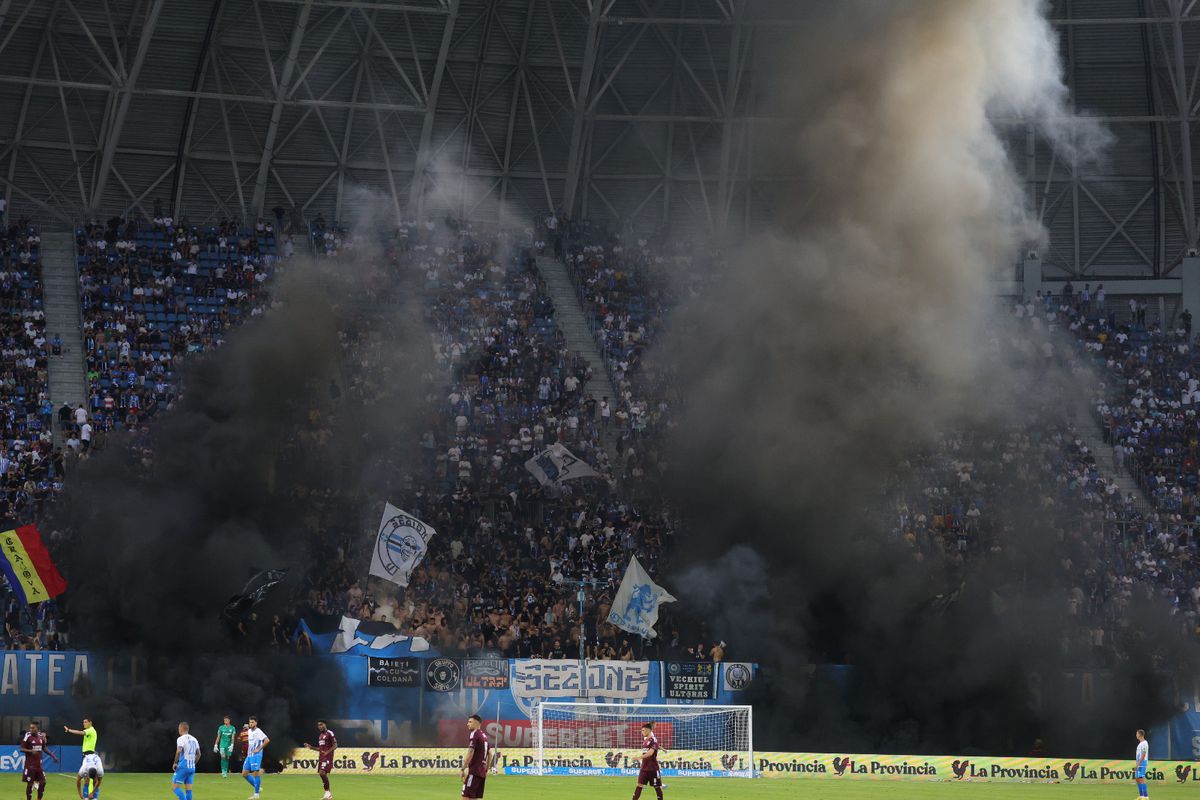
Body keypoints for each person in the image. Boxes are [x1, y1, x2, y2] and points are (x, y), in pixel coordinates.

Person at [64, 719, 102, 799]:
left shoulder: (91, 730)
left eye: (85, 722)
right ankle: (87, 797)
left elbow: (80, 732)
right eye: (83, 722)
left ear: (90, 722)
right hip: (86, 755)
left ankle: (93, 797)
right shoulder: (89, 730)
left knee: (92, 779)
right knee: (87, 780)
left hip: (90, 756)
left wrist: (69, 730)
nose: (84, 724)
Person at [21, 721, 56, 800]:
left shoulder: (40, 736)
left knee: (43, 782)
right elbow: (22, 749)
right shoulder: (27, 736)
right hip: (30, 766)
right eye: (30, 728)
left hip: (38, 766)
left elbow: (44, 747)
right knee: (30, 784)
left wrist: (52, 755)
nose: (31, 729)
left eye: (33, 728)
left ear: (37, 728)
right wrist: (31, 751)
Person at [302, 720, 337, 800]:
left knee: (322, 773)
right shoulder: (320, 736)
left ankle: (328, 793)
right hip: (321, 757)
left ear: (325, 724)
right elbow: (320, 749)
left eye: (321, 724)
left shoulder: (330, 733)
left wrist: (327, 752)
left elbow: (335, 745)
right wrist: (311, 747)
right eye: (318, 725)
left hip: (327, 757)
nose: (320, 726)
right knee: (321, 774)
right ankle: (327, 794)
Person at [460, 714, 490, 799]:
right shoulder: (484, 736)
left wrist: (462, 769)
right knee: (473, 798)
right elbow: (490, 753)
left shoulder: (474, 734)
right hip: (481, 773)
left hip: (474, 772)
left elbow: (470, 752)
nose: (467, 724)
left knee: (465, 797)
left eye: (470, 722)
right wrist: (486, 770)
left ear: (476, 723)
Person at [632, 722, 663, 800]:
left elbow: (650, 753)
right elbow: (656, 746)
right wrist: (662, 748)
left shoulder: (654, 740)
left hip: (653, 768)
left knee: (657, 787)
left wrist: (639, 757)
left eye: (643, 730)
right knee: (639, 785)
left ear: (648, 730)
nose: (642, 732)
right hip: (644, 768)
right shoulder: (645, 740)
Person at [241, 716, 269, 800]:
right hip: (249, 755)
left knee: (256, 773)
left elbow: (267, 740)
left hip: (256, 755)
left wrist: (259, 749)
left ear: (256, 723)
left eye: (252, 722)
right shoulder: (249, 731)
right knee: (244, 774)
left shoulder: (258, 731)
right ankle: (258, 787)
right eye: (250, 722)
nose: (251, 724)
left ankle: (256, 795)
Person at [172, 722, 201, 800]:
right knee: (188, 791)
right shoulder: (194, 739)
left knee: (175, 787)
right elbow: (199, 754)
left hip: (183, 766)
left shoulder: (181, 739)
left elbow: (178, 751)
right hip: (192, 768)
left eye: (179, 729)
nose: (178, 730)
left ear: (181, 729)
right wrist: (193, 763)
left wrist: (175, 763)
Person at [1135, 729, 1149, 799]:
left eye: (1137, 734)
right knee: (1137, 779)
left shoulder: (1144, 743)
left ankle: (1146, 797)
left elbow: (1143, 755)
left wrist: (1138, 764)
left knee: (1141, 778)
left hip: (1142, 763)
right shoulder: (1141, 743)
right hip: (1139, 763)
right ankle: (1141, 796)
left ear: (1140, 735)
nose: (1136, 735)